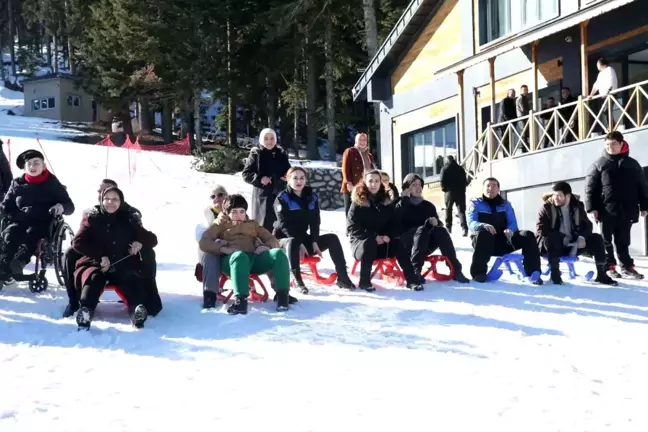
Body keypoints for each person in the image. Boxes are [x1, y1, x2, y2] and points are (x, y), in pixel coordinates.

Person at [62, 179, 162, 318]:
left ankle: (137, 312)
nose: (110, 202)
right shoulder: (92, 216)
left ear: (121, 201)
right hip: (96, 263)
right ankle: (85, 311)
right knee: (94, 278)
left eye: (115, 199)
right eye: (107, 199)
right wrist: (100, 256)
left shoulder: (128, 218)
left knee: (130, 278)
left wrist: (139, 242)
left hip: (122, 263)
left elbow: (152, 239)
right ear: (102, 200)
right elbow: (78, 242)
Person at [199, 194, 292, 315]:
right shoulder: (219, 224)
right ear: (227, 212)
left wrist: (266, 246)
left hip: (253, 260)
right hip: (230, 261)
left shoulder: (252, 224)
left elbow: (271, 239)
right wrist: (222, 249)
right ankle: (241, 301)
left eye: (242, 211)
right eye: (234, 212)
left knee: (278, 253)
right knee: (239, 256)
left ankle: (283, 297)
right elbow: (203, 242)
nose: (239, 215)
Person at [274, 166, 355, 293]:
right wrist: (299, 244)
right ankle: (297, 280)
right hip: (284, 240)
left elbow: (315, 222)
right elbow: (284, 225)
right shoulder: (282, 198)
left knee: (332, 238)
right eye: (294, 178)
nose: (298, 181)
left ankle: (343, 278)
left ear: (306, 180)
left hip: (303, 237)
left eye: (302, 178)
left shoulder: (312, 197)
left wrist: (314, 241)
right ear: (288, 180)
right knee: (293, 241)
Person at [0, 150, 74, 283]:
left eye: (36, 163)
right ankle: (5, 267)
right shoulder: (17, 183)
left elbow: (69, 206)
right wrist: (4, 209)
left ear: (43, 166)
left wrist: (60, 206)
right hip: (21, 220)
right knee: (9, 233)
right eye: (29, 164)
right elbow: (7, 204)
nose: (33, 167)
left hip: (43, 221)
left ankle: (19, 263)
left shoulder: (52, 183)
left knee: (31, 235)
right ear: (24, 167)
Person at [585, 131, 648, 279]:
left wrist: (644, 205)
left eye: (613, 144)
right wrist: (591, 208)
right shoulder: (599, 164)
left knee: (623, 241)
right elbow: (590, 188)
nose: (610, 147)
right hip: (605, 210)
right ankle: (609, 267)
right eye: (607, 144)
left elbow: (642, 186)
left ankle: (627, 267)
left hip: (627, 209)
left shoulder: (632, 164)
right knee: (605, 241)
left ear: (621, 144)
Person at [347, 169, 422, 291]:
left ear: (380, 183)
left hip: (382, 244)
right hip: (361, 245)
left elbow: (394, 224)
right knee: (370, 243)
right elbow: (352, 228)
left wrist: (388, 235)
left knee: (397, 243)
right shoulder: (357, 203)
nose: (373, 184)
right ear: (364, 182)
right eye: (370, 181)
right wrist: (374, 237)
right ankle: (364, 282)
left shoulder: (386, 202)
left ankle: (412, 280)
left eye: (377, 181)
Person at [536, 181, 616, 286]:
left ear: (568, 196)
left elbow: (587, 225)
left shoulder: (577, 206)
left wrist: (582, 236)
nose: (555, 198)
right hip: (552, 246)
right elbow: (540, 230)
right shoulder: (546, 208)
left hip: (572, 245)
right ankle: (555, 275)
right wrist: (561, 238)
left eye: (559, 195)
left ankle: (602, 274)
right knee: (554, 237)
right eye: (554, 195)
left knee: (596, 238)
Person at [396, 173, 469, 283]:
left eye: (420, 184)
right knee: (421, 230)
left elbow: (437, 223)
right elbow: (396, 223)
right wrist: (404, 200)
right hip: (406, 245)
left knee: (440, 231)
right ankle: (415, 270)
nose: (418, 188)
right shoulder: (399, 203)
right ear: (406, 188)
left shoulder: (428, 205)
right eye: (414, 185)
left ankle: (455, 269)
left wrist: (436, 223)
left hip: (424, 244)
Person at [468, 177, 542, 284]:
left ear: (498, 189)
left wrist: (510, 230)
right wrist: (483, 225)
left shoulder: (505, 205)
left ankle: (533, 272)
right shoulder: (475, 204)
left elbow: (513, 223)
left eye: (494, 186)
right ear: (483, 188)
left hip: (504, 241)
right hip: (484, 242)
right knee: (484, 234)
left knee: (528, 235)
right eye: (488, 186)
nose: (491, 188)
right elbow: (471, 223)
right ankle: (478, 273)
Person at [241, 128, 291, 232]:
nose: (269, 141)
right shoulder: (256, 153)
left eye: (272, 138)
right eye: (266, 138)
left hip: (280, 195)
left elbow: (288, 171)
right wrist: (260, 178)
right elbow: (246, 174)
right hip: (263, 197)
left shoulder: (281, 153)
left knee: (281, 226)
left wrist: (287, 176)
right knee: (263, 227)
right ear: (261, 139)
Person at [197, 184, 228, 309]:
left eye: (220, 194)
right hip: (209, 249)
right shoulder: (205, 215)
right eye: (213, 196)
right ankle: (209, 295)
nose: (217, 198)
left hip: (230, 248)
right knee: (211, 255)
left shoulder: (235, 212)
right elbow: (200, 237)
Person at [341, 133, 375, 216]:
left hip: (365, 187)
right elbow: (345, 168)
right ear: (356, 141)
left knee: (363, 212)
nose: (362, 142)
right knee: (350, 212)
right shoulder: (350, 151)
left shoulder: (369, 155)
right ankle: (349, 229)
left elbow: (372, 170)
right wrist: (348, 182)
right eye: (360, 139)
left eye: (364, 140)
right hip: (352, 187)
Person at [439, 155, 468, 236]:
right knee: (461, 211)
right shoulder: (460, 168)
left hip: (449, 192)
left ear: (447, 160)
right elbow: (465, 181)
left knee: (448, 210)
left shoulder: (444, 168)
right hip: (460, 192)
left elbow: (441, 180)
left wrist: (444, 189)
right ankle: (464, 228)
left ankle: (448, 228)